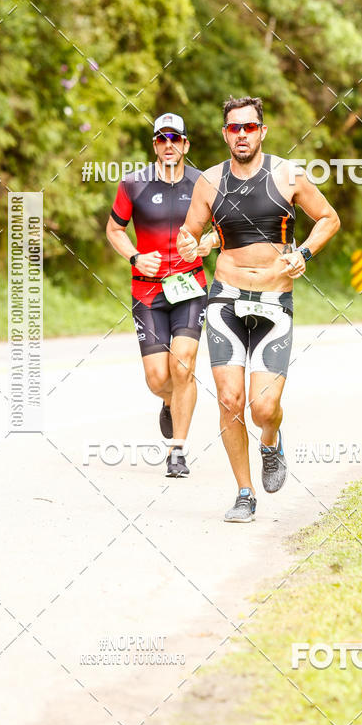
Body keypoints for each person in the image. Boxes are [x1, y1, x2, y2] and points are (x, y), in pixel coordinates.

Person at [177, 96, 340, 521]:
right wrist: (187, 242)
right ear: (225, 133)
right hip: (226, 298)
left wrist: (303, 251)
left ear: (262, 131)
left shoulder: (289, 175)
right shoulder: (209, 182)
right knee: (230, 400)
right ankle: (244, 493)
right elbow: (191, 233)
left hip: (274, 300)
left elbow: (328, 218)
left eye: (250, 127)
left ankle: (271, 441)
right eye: (234, 128)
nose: (242, 134)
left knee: (262, 407)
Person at [106, 112, 218, 477]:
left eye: (175, 139)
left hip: (189, 287)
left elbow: (222, 232)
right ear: (154, 145)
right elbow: (114, 230)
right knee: (158, 377)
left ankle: (178, 451)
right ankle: (171, 402)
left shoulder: (203, 183)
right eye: (161, 139)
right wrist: (136, 256)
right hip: (148, 290)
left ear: (186, 144)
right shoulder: (133, 185)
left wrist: (204, 246)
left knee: (182, 364)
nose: (168, 145)